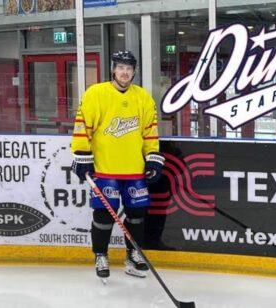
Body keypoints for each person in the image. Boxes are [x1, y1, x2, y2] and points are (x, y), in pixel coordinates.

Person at [70, 50, 165, 279]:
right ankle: (100, 255)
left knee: (137, 215)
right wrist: (82, 156)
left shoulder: (143, 97)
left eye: (129, 68)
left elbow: (150, 132)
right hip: (105, 169)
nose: (124, 72)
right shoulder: (96, 94)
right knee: (103, 216)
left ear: (134, 71)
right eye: (120, 67)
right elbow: (83, 126)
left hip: (134, 170)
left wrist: (152, 157)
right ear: (113, 69)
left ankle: (133, 254)